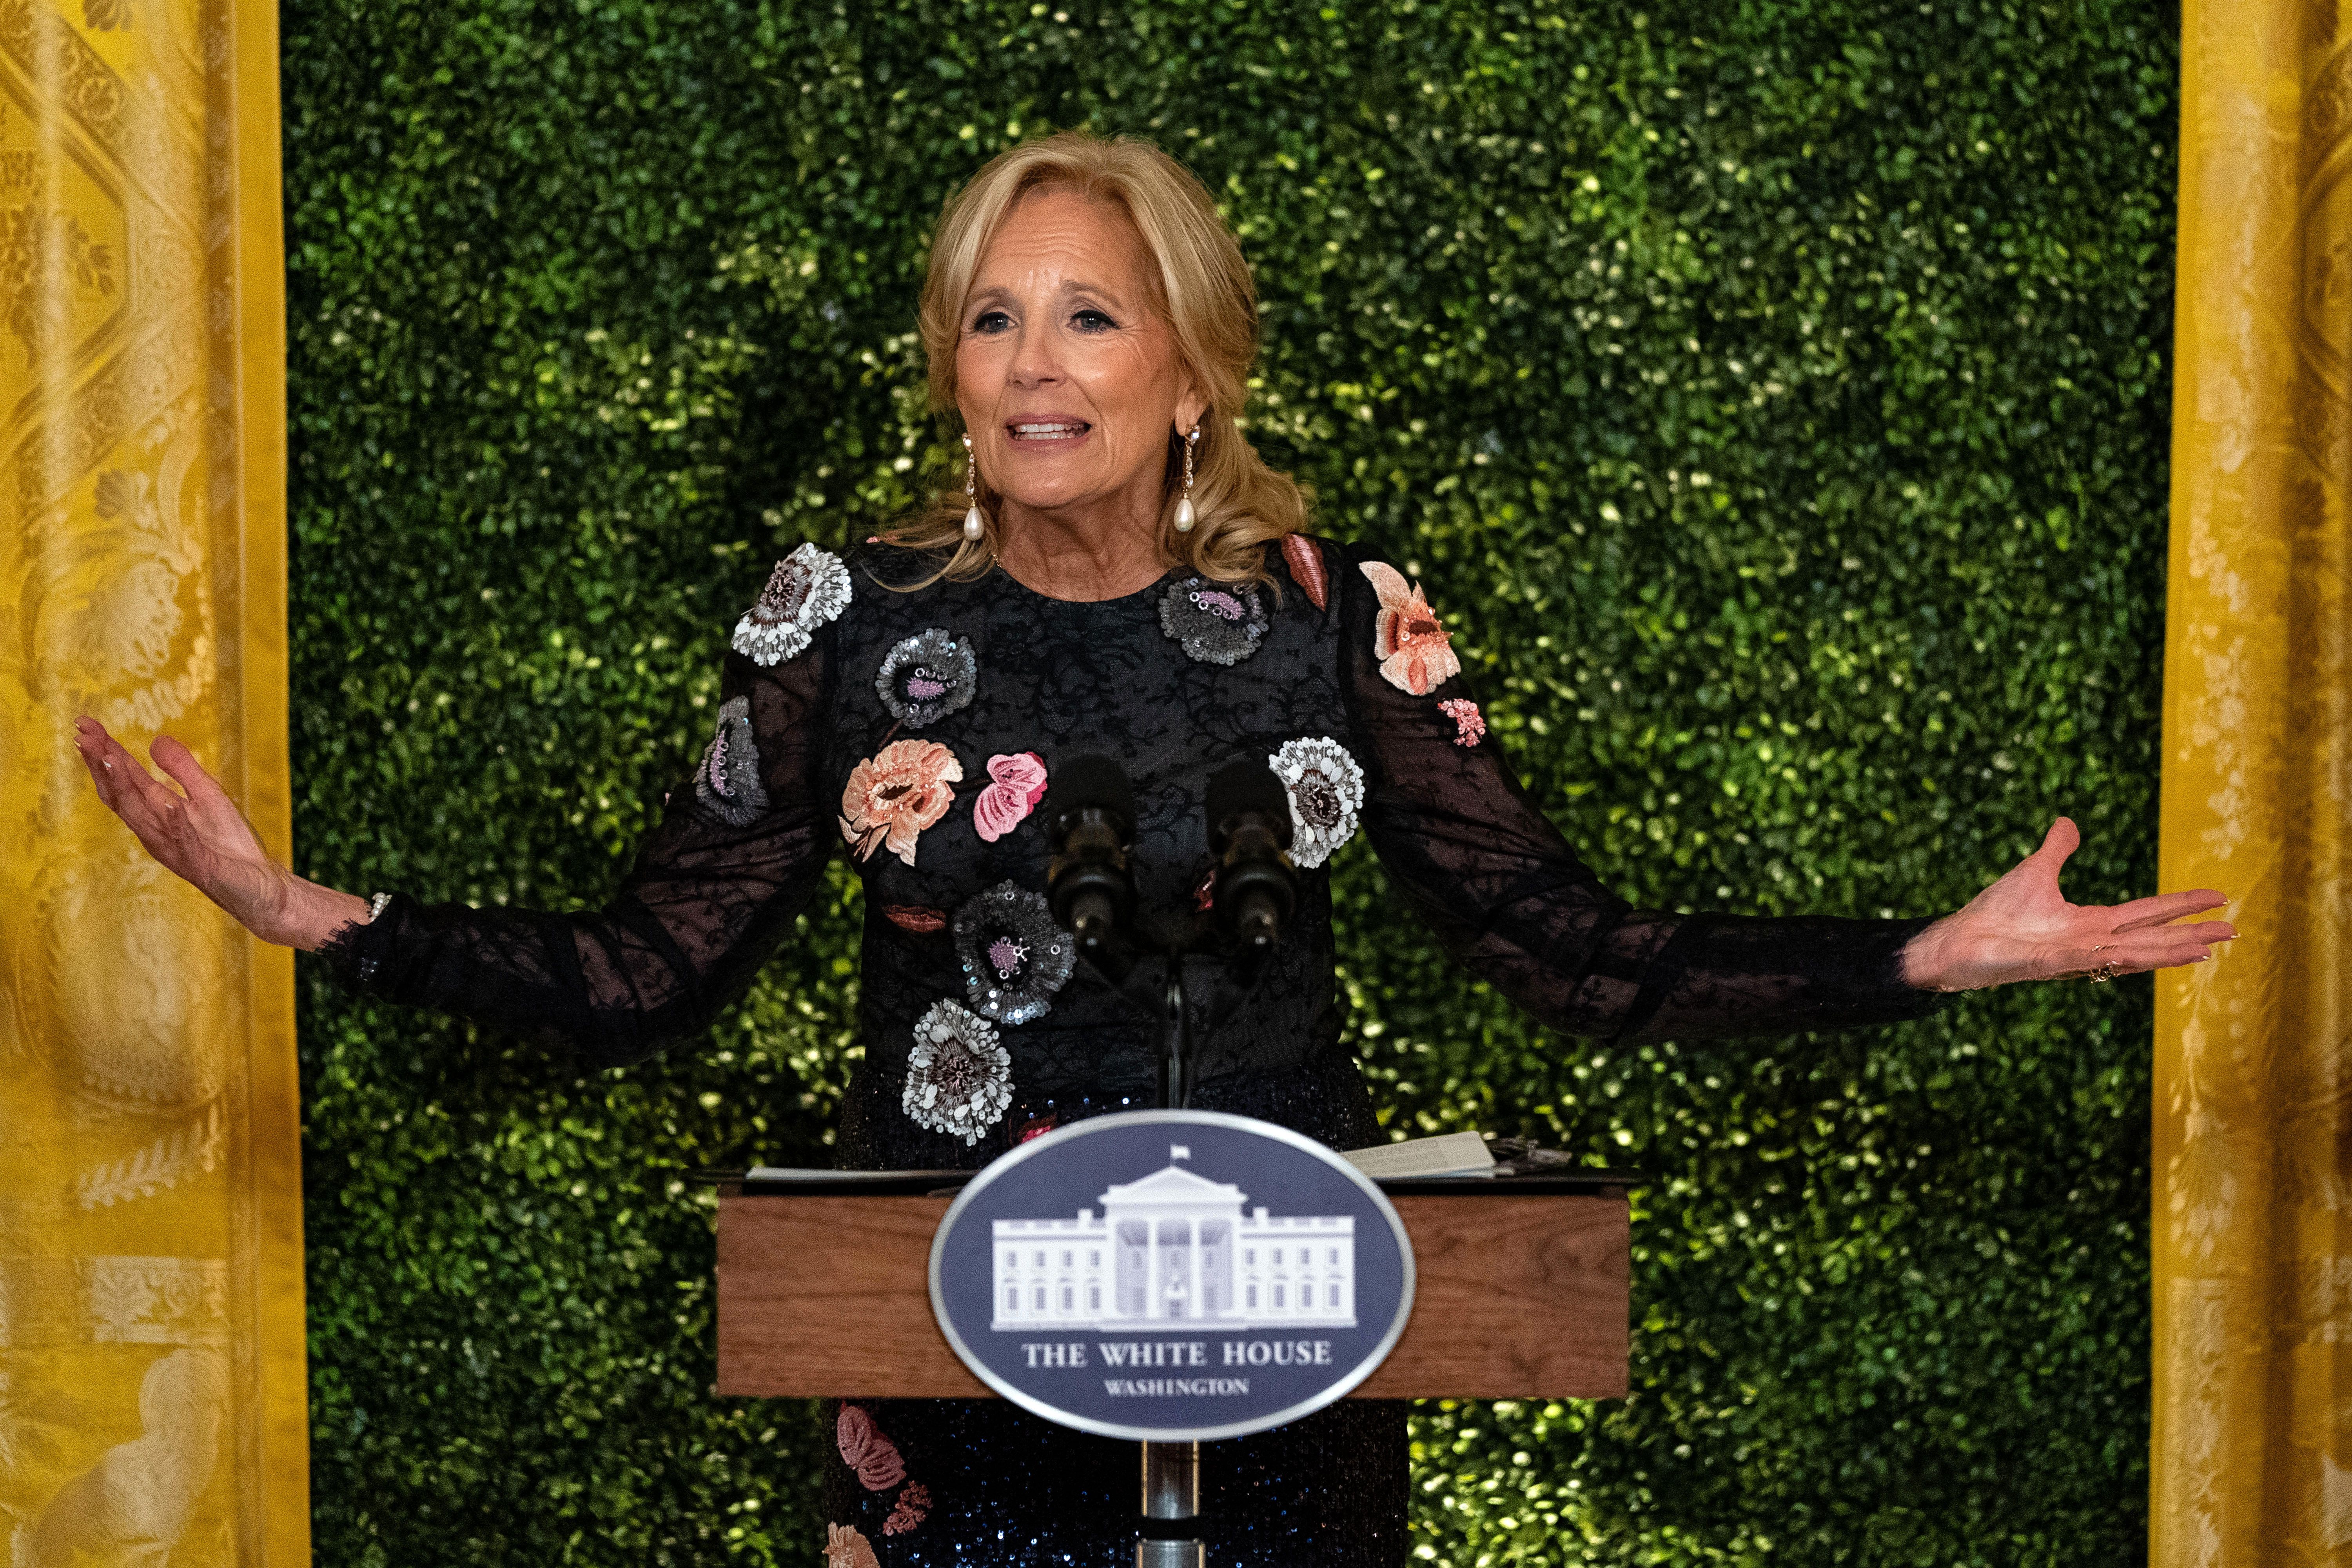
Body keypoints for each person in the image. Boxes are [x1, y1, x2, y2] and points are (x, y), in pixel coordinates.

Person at [73, 131, 2232, 1567]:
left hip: (1289, 1359)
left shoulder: (1331, 615)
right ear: (950, 358)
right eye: (994, 315)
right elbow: (657, 965)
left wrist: (1921, 959)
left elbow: (1569, 947)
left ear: (1190, 361)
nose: (1036, 361)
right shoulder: (845, 616)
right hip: (952, 1352)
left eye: (1089, 315)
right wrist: (314, 918)